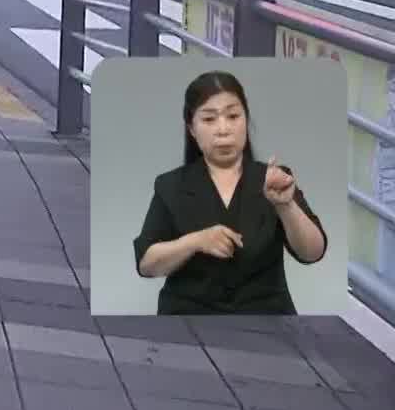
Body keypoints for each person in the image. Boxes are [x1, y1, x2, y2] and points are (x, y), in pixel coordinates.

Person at [132, 70, 328, 314]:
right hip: (189, 319)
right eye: (209, 119)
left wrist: (285, 206)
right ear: (191, 128)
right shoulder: (170, 185)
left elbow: (313, 252)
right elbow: (147, 264)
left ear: (246, 121)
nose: (223, 129)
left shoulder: (274, 179)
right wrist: (194, 241)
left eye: (233, 116)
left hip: (267, 321)